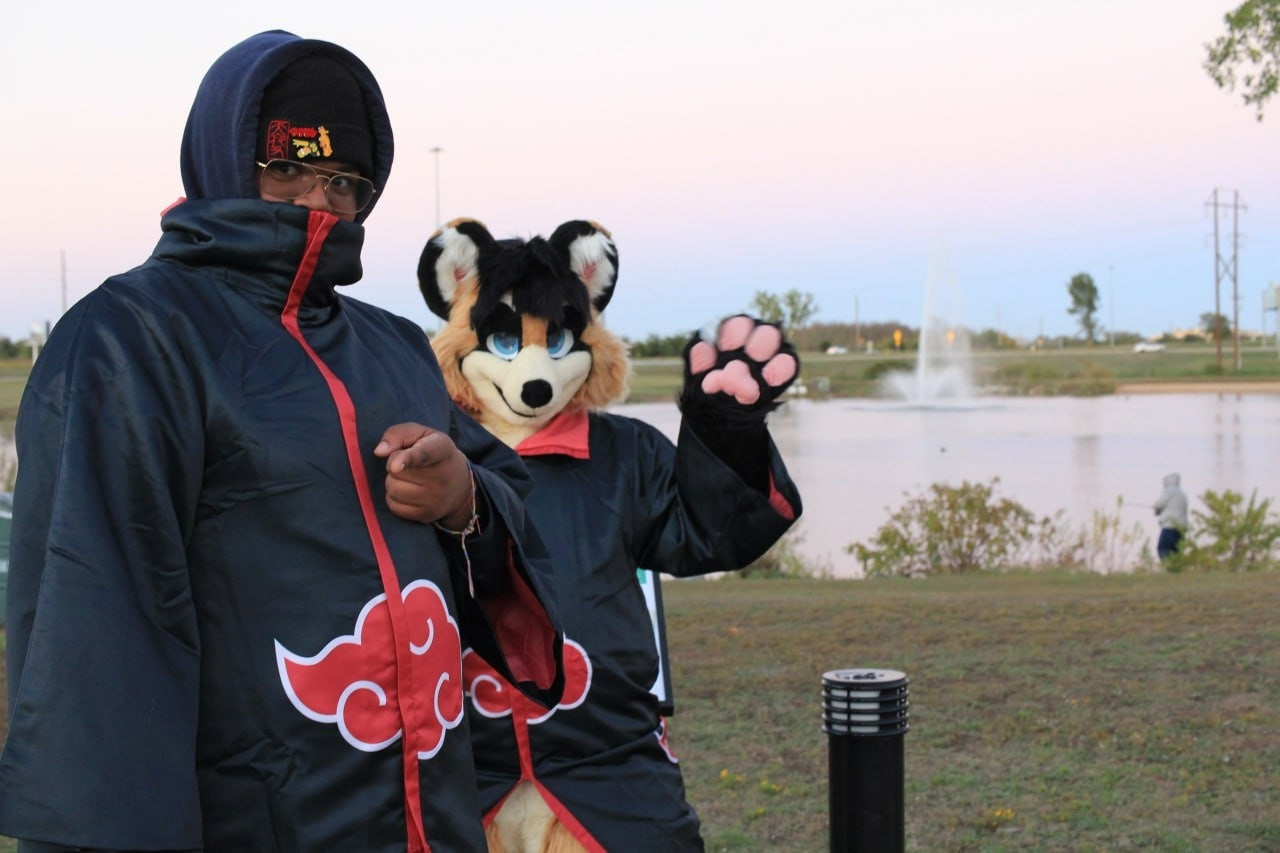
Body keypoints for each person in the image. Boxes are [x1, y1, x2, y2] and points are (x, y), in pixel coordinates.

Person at [0, 31, 564, 852]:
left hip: (428, 819)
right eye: (288, 165)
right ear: (224, 156)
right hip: (255, 820)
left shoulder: (395, 347)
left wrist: (463, 501)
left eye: (345, 180)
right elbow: (93, 642)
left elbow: (506, 513)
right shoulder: (132, 337)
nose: (316, 201)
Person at [1153, 472, 1189, 561]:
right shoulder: (1182, 494)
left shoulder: (1169, 491)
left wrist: (1156, 509)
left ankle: (1168, 568)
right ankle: (1176, 569)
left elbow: (1159, 505)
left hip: (1169, 527)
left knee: (1163, 549)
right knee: (1177, 551)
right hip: (1181, 528)